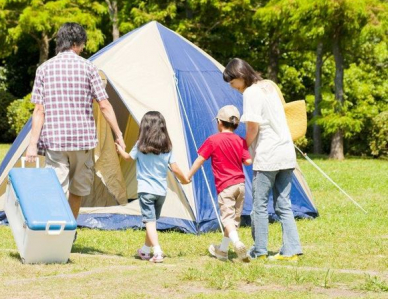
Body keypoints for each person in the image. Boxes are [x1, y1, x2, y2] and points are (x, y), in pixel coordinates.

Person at [26, 22, 126, 228]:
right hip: (83, 141)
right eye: (81, 45)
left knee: (56, 189)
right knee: (78, 190)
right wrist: (119, 134)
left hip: (55, 141)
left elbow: (39, 110)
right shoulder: (89, 68)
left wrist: (32, 145)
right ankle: (69, 229)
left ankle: (58, 230)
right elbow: (104, 105)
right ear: (74, 44)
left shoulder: (44, 69)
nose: (82, 49)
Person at [222, 58, 303, 261]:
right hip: (286, 152)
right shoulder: (268, 85)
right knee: (283, 204)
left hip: (268, 155)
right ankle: (292, 249)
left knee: (259, 205)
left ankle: (259, 250)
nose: (234, 88)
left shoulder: (250, 92)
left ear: (240, 76)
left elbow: (252, 127)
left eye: (233, 83)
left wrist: (242, 148)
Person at [115, 111, 189, 263]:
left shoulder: (140, 146)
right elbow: (175, 168)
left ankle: (157, 251)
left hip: (145, 190)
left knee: (149, 222)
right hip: (161, 192)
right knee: (152, 221)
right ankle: (145, 250)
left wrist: (120, 150)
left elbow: (128, 158)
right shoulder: (167, 147)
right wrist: (185, 180)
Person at [186, 105, 252, 263]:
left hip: (226, 186)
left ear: (219, 123)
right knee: (234, 220)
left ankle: (237, 243)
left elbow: (200, 159)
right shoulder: (240, 141)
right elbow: (248, 161)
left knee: (227, 219)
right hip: (241, 186)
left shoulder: (213, 140)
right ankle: (222, 250)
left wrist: (188, 175)